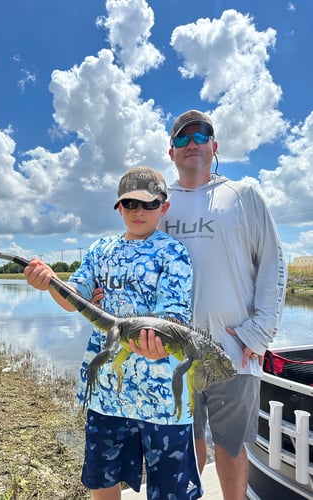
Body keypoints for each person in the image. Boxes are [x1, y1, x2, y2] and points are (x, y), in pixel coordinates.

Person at [127, 110, 287, 500]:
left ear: (214, 146)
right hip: (171, 354)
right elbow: (136, 264)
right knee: (184, 446)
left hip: (234, 349)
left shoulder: (243, 195)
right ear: (171, 152)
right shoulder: (160, 207)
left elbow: (273, 263)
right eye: (182, 138)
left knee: (231, 448)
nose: (192, 143)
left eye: (201, 135)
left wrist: (260, 331)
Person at [24, 166, 203, 500]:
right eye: (130, 203)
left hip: (163, 399)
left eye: (149, 204)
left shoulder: (173, 252)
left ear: (164, 207)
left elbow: (175, 317)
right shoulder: (100, 249)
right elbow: (72, 297)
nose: (138, 211)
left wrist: (160, 343)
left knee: (171, 490)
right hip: (107, 393)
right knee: (102, 480)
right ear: (118, 207)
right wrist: (48, 281)